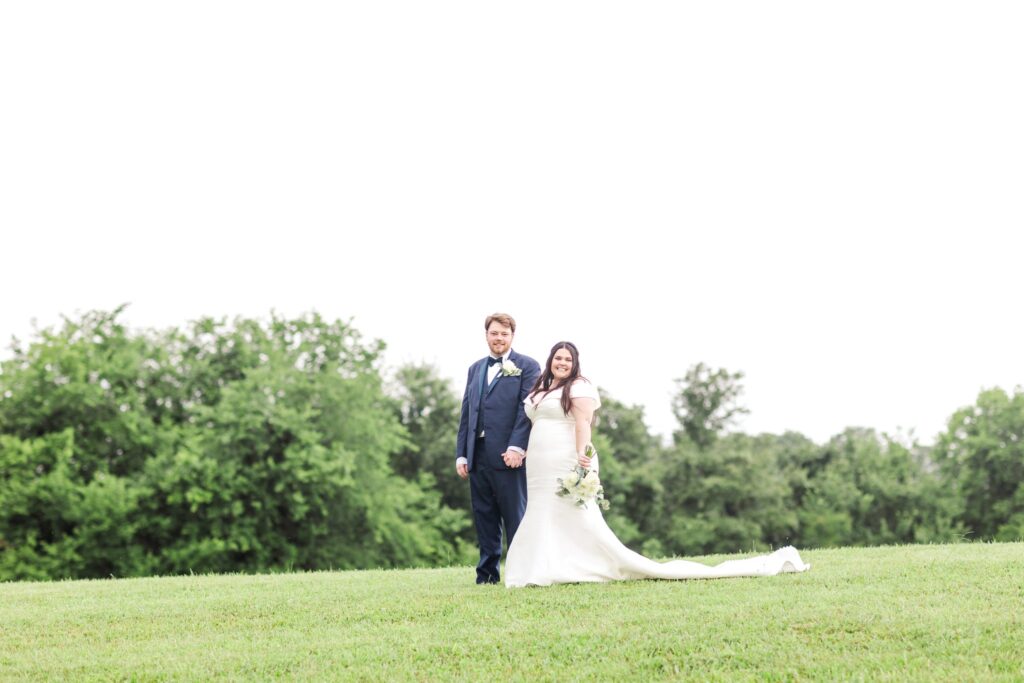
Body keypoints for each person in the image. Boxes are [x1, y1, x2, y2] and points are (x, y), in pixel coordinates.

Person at [504, 341, 810, 587]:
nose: (562, 363)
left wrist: (582, 455)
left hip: (566, 457)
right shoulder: (540, 390)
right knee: (542, 510)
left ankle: (579, 563)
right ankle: (542, 567)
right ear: (550, 360)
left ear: (575, 364)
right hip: (540, 464)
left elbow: (583, 423)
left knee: (574, 513)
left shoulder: (579, 387)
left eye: (567, 360)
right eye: (558, 358)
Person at [456, 313, 541, 584]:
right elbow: (467, 413)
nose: (499, 338)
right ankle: (487, 575)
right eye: (494, 333)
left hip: (509, 456)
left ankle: (520, 573)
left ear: (512, 337)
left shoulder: (527, 366)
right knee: (484, 516)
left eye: (504, 334)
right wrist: (462, 453)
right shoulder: (475, 368)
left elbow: (525, 411)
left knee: (515, 515)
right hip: (477, 455)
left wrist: (517, 446)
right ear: (486, 335)